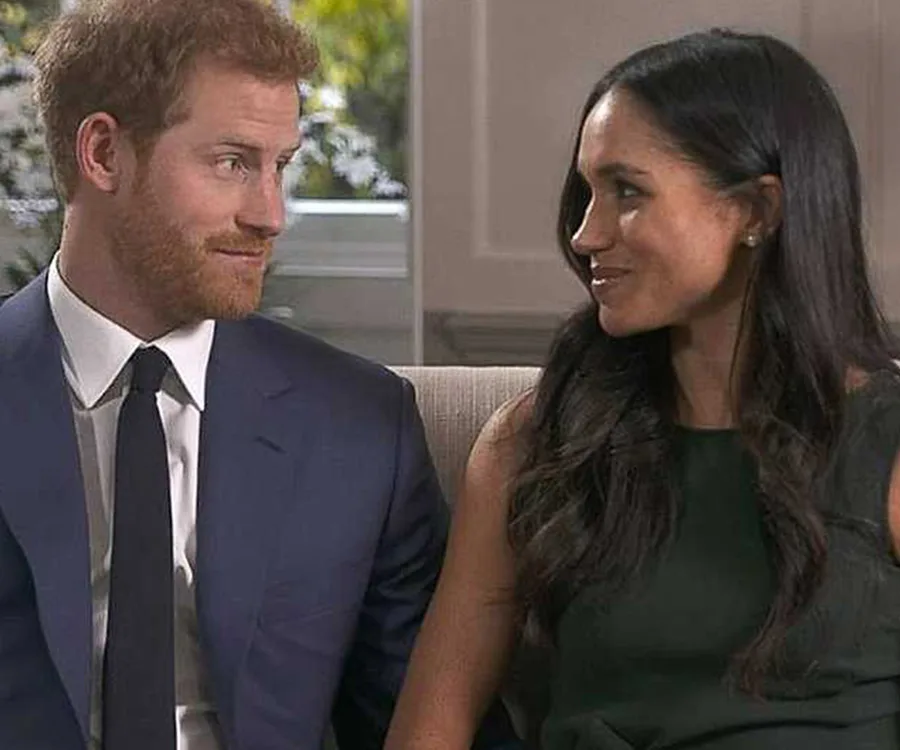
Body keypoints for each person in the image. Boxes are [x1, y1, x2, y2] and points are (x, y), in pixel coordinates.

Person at [0, 0, 513, 748]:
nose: (270, 214)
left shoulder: (360, 429)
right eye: (233, 163)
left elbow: (425, 721)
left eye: (281, 166)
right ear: (104, 154)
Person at [385, 28, 900, 750]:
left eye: (627, 191)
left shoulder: (886, 445)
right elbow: (428, 733)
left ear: (758, 211)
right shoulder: (534, 441)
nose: (585, 234)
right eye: (586, 193)